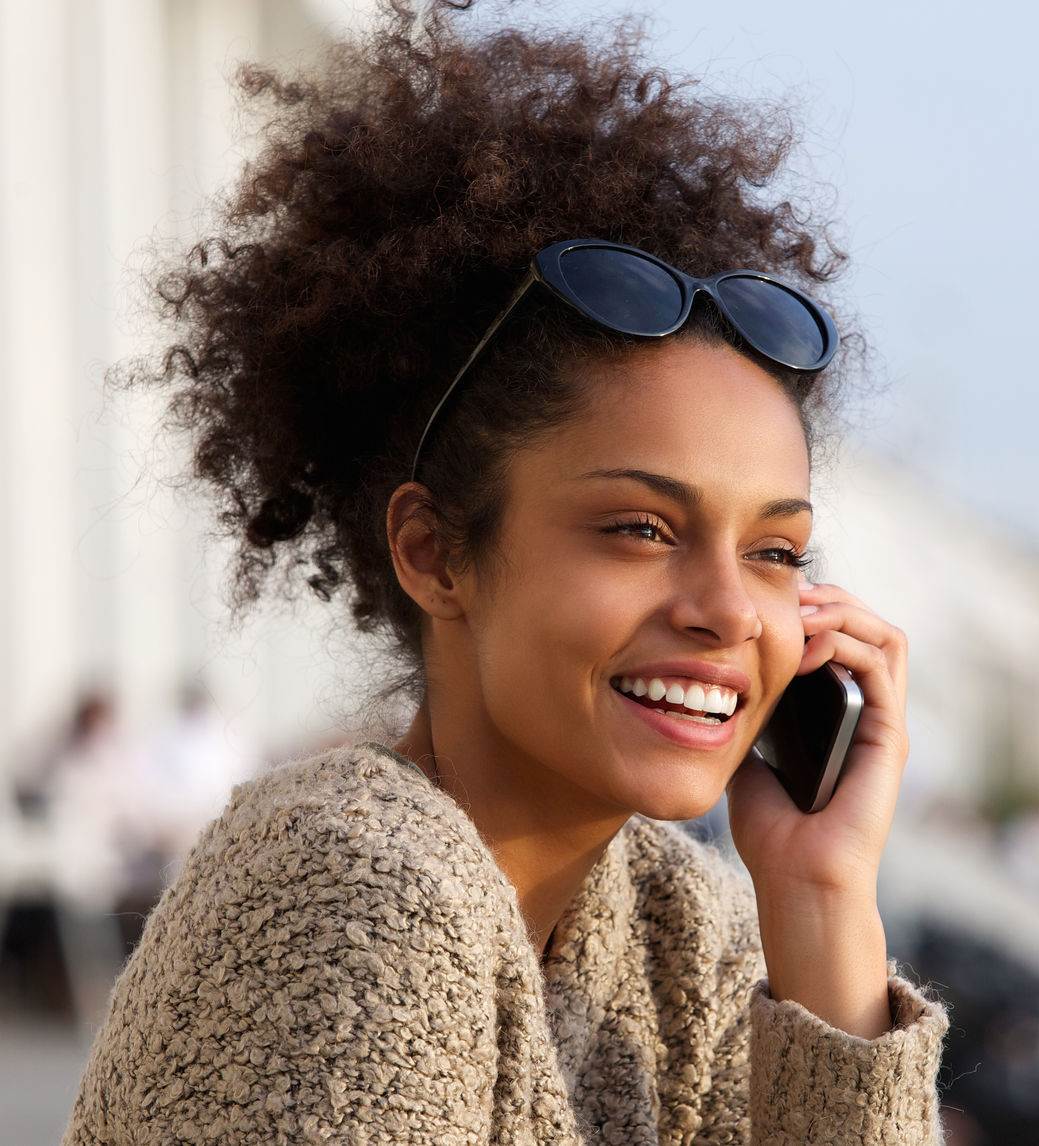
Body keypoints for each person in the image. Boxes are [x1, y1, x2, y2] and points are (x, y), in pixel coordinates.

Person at [62, 2, 949, 1142]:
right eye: (639, 529)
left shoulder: (679, 926)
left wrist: (822, 897)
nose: (731, 609)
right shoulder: (357, 886)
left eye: (775, 552)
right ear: (436, 554)